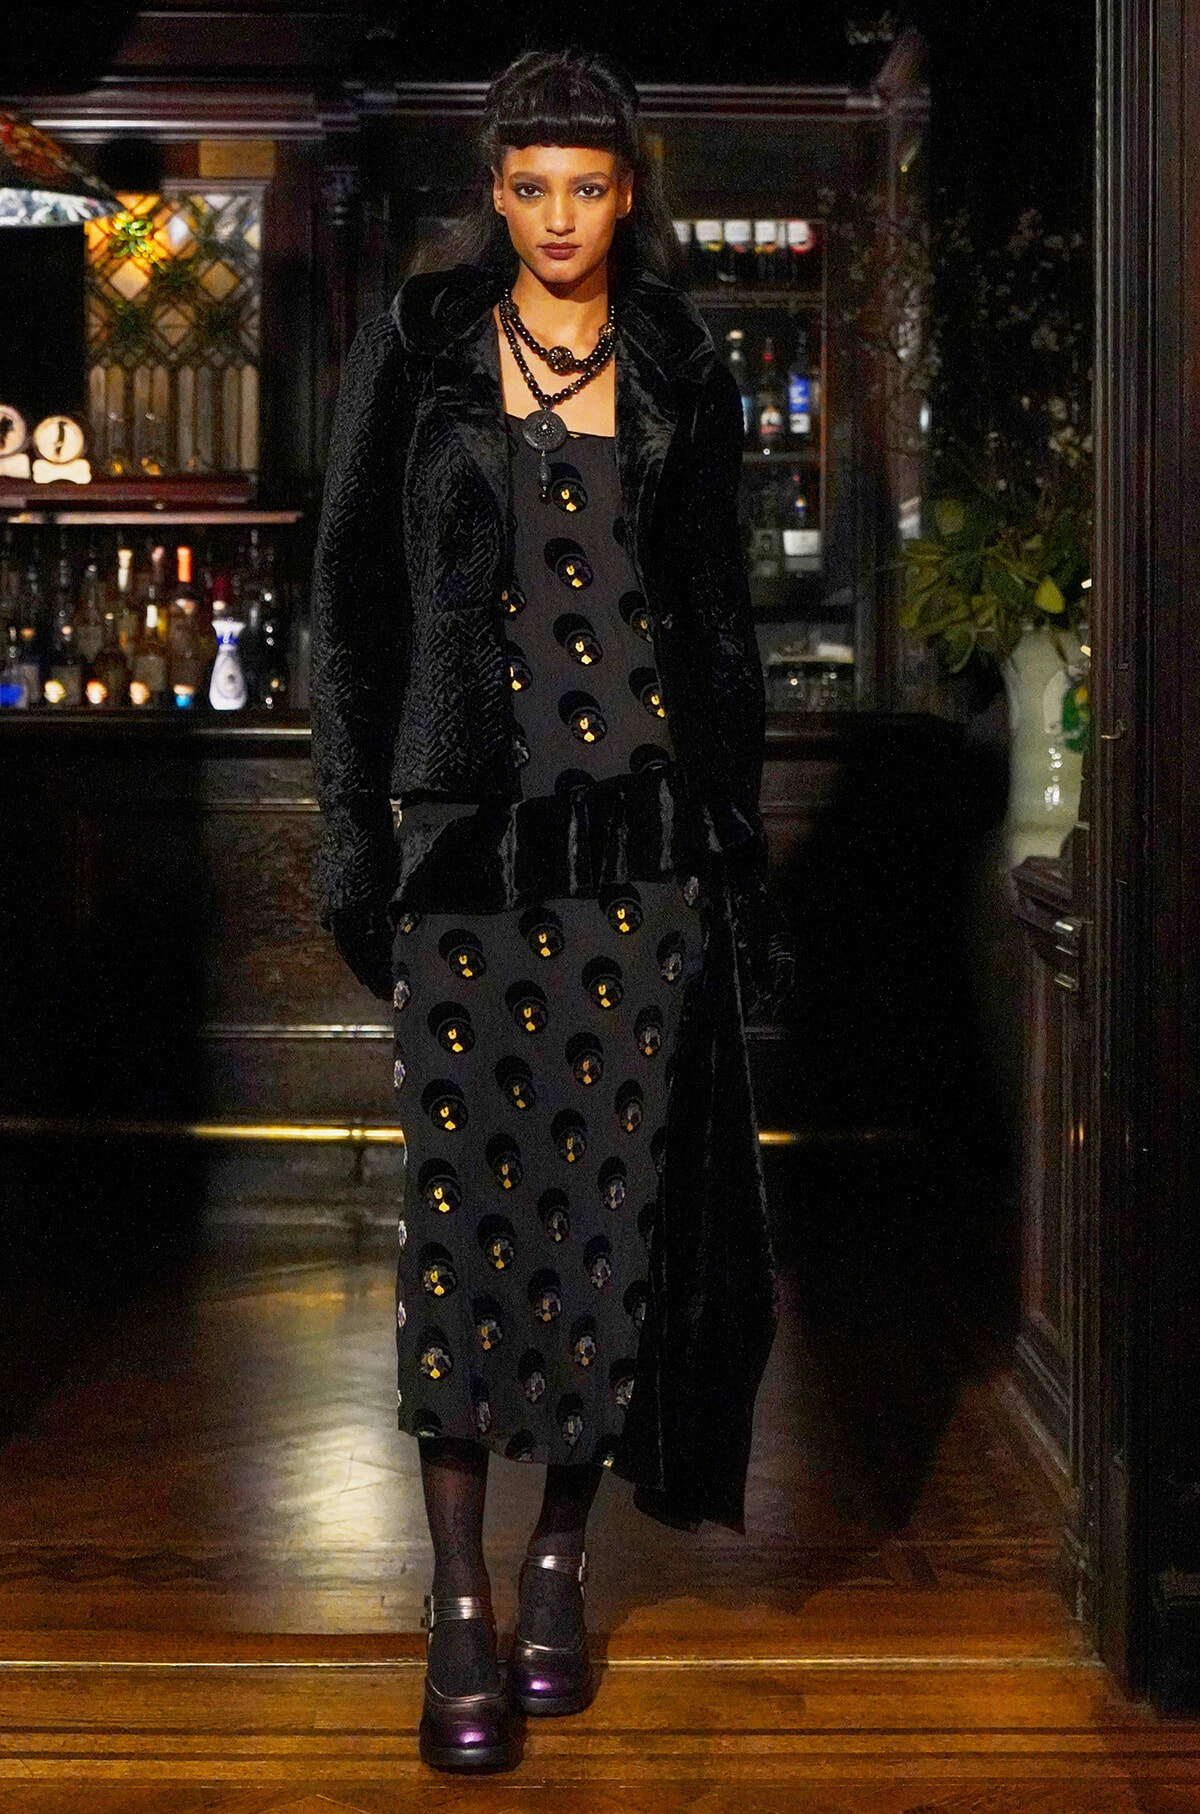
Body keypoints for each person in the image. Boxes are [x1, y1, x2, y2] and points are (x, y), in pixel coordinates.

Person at [310, 43, 795, 1776]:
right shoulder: (424, 343)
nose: (563, 216)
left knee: (605, 1234)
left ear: (628, 192)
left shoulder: (680, 357)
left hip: (640, 872)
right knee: (463, 1236)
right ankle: (456, 1600)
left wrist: (731, 850)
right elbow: (350, 606)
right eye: (533, 186)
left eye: (591, 186)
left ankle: (561, 1562)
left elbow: (721, 626)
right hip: (471, 866)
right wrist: (354, 844)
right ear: (496, 193)